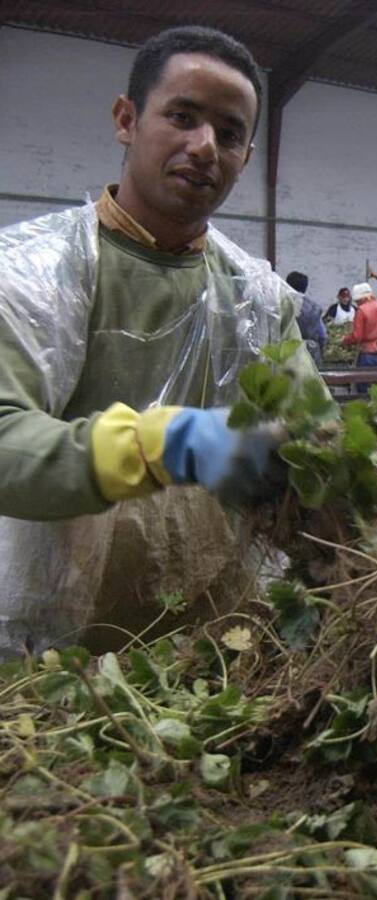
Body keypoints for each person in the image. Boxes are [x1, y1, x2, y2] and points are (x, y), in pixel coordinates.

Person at [0, 26, 318, 655]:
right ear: (127, 119)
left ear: (246, 156)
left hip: (220, 646)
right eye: (182, 116)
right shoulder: (35, 272)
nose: (204, 147)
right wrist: (163, 445)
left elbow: (313, 446)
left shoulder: (258, 296)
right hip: (50, 652)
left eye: (229, 134)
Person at [342, 282, 377, 369]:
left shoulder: (361, 311)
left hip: (368, 354)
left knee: (363, 380)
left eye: (357, 301)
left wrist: (345, 340)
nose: (357, 303)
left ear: (360, 299)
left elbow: (357, 336)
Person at [286, 271, 326, 367]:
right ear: (305, 287)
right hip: (308, 353)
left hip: (286, 353)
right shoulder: (314, 308)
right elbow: (323, 335)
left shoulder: (281, 303)